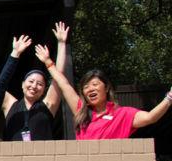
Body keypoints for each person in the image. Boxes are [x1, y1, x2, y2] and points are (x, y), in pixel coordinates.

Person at [35, 46, 172, 139]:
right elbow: (64, 85)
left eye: (95, 84)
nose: (90, 89)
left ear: (106, 88)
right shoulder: (81, 111)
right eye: (86, 87)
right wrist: (48, 61)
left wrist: (169, 97)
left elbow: (150, 118)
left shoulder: (123, 114)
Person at [0, 22, 69, 141]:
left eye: (40, 84)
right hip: (14, 158)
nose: (34, 86)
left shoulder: (49, 104)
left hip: (42, 158)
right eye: (31, 81)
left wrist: (61, 43)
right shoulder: (10, 104)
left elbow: (59, 75)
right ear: (23, 84)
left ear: (44, 89)